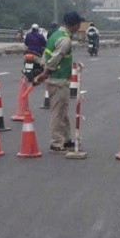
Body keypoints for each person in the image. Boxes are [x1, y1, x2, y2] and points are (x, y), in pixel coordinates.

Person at [34, 11, 84, 153]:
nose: (79, 27)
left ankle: (66, 139)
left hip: (56, 79)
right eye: (79, 24)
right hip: (58, 80)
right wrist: (46, 73)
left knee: (62, 111)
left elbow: (45, 55)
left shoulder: (55, 35)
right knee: (58, 112)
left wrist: (44, 70)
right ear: (75, 25)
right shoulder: (65, 40)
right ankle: (56, 142)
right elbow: (55, 58)